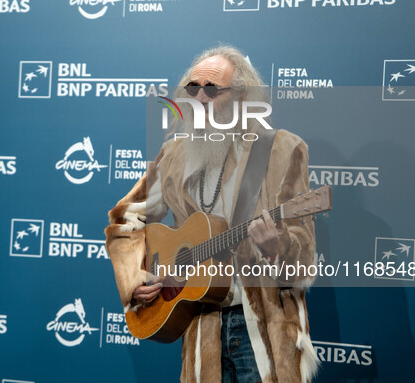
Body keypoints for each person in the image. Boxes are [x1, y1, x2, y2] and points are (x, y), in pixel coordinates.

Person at [105, 46, 319, 383]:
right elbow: (124, 218)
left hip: (265, 330)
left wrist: (276, 245)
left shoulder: (280, 149)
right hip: (201, 329)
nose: (200, 98)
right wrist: (133, 277)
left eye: (213, 90)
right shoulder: (174, 153)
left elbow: (304, 253)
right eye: (193, 88)